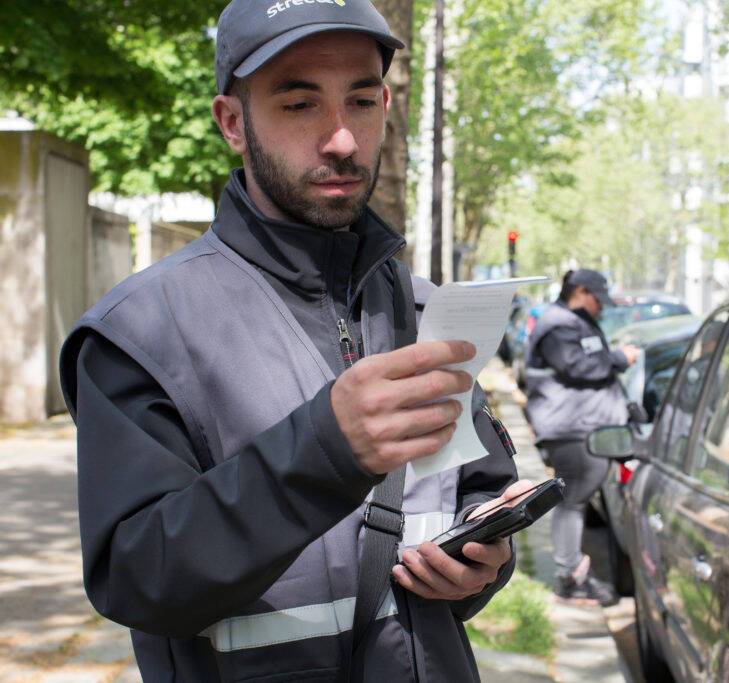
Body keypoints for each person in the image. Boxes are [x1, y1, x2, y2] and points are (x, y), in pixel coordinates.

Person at [58, 1, 529, 680]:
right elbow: (138, 578)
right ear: (232, 123)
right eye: (299, 104)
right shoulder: (140, 331)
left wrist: (484, 562)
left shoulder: (426, 310)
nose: (341, 138)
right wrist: (325, 451)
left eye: (361, 101)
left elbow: (472, 497)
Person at [524, 269, 639, 605]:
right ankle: (570, 575)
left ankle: (572, 571)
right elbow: (579, 366)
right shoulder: (559, 325)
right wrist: (620, 359)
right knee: (573, 499)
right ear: (580, 291)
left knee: (575, 499)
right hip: (570, 429)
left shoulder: (572, 322)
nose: (601, 307)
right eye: (597, 299)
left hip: (582, 425)